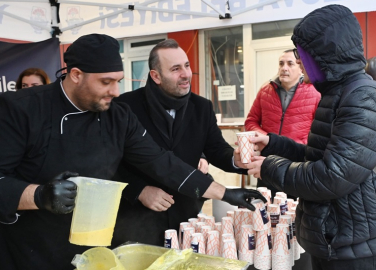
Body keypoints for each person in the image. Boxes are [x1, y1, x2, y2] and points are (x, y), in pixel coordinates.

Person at [0, 33, 265, 270]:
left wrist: (225, 192)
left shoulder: (118, 115)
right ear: (76, 75)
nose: (115, 92)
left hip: (94, 244)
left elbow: (161, 162)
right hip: (32, 247)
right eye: (106, 82)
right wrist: (39, 195)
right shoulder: (19, 110)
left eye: (118, 81)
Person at [246, 4, 376, 270]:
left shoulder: (361, 98)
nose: (298, 61)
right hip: (343, 237)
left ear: (325, 55)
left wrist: (269, 166)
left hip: (364, 249)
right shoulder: (339, 93)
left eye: (302, 54)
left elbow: (332, 176)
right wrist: (273, 143)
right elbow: (319, 155)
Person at [111, 39, 249, 247]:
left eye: (186, 65)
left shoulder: (201, 107)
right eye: (176, 69)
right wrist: (138, 190)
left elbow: (215, 149)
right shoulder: (124, 107)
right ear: (155, 76)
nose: (186, 74)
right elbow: (109, 163)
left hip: (186, 215)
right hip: (136, 219)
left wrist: (235, 159)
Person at [245, 49, 320, 144]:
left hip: (299, 155)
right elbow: (250, 122)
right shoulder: (265, 91)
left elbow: (321, 130)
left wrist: (303, 145)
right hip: (268, 152)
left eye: (290, 64)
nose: (284, 68)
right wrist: (266, 138)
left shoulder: (315, 93)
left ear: (300, 68)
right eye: (281, 64)